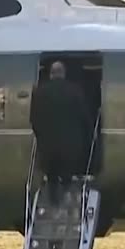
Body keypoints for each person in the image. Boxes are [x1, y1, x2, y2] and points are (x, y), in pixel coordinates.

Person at [29, 60, 92, 206]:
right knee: (66, 172)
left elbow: (33, 118)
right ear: (63, 74)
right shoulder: (75, 90)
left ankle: (53, 199)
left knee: (51, 174)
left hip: (48, 144)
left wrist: (40, 135)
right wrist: (87, 135)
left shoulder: (40, 92)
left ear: (51, 75)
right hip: (70, 143)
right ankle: (66, 192)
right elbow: (84, 116)